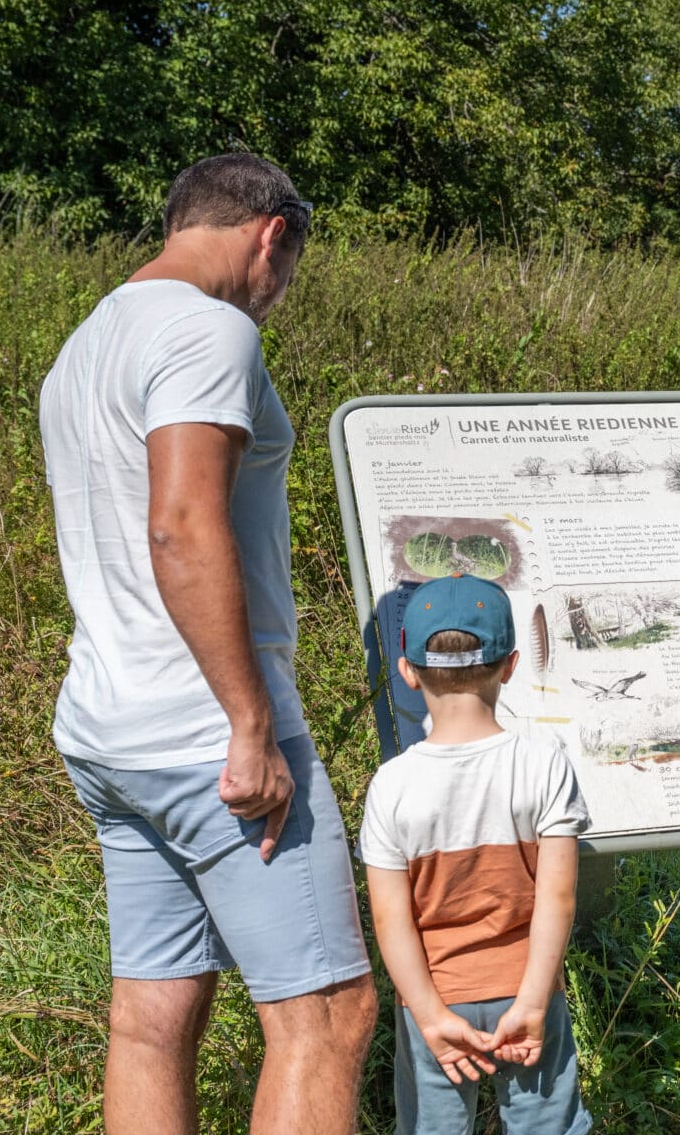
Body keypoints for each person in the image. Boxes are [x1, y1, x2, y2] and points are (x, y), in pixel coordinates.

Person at [39, 154, 375, 1135]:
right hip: (207, 738)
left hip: (110, 730)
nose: (280, 294)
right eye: (290, 267)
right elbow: (181, 526)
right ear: (273, 234)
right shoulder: (208, 328)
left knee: (152, 1017)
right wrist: (250, 722)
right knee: (325, 1016)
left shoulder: (87, 341)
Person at [360, 573, 593, 1135]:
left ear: (408, 671)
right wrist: (533, 1003)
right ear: (510, 666)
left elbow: (391, 920)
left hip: (436, 994)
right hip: (528, 984)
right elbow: (557, 898)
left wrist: (429, 1015)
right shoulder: (544, 764)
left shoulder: (391, 786)